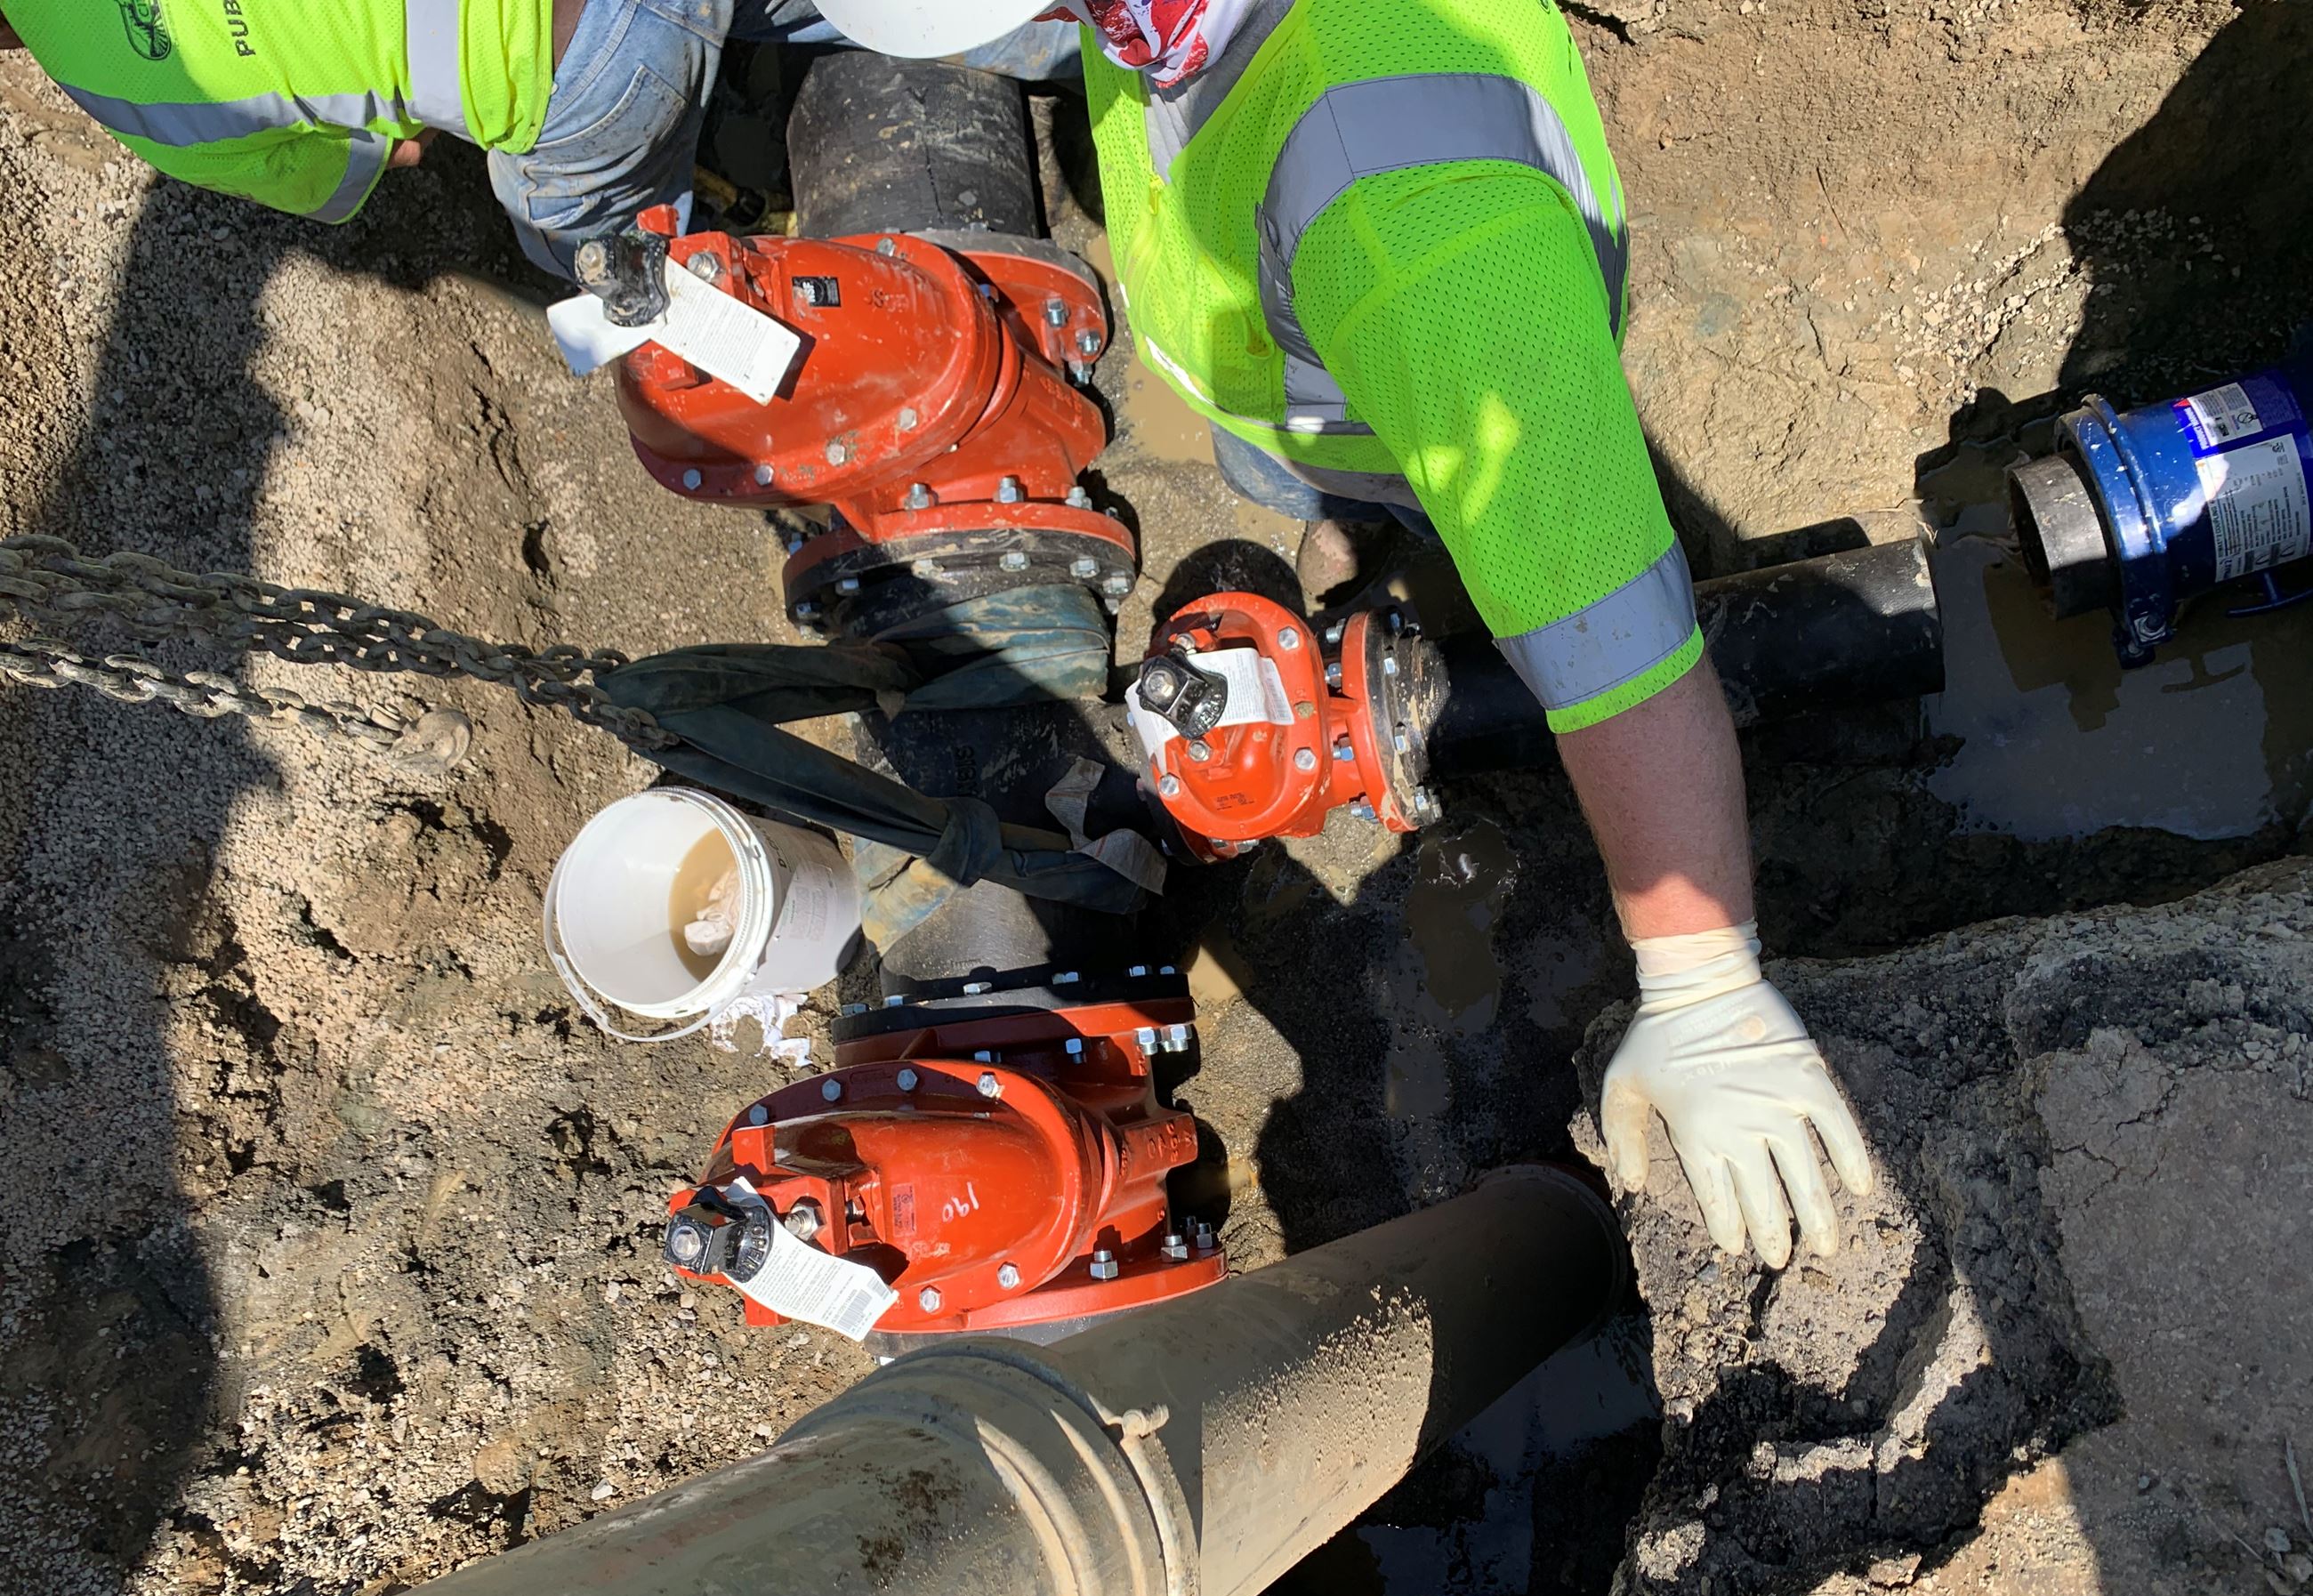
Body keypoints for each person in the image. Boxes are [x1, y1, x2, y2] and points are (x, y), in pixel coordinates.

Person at [813, 0, 1876, 1270]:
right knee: (1347, 476)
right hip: (1331, 359)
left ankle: (1430, 540)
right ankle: (1383, 523)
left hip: (1430, 327)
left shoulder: (1410, 215)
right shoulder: (1191, 39)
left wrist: (1703, 982)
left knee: (1537, 555)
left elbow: (1623, 652)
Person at [0, 0, 1068, 278]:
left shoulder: (120, 92)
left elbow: (390, 159)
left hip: (590, 66)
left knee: (584, 249)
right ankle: (1113, 37)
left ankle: (777, 302)